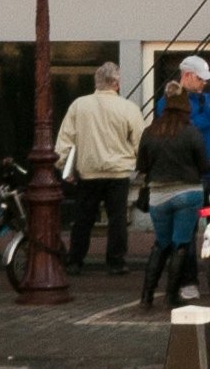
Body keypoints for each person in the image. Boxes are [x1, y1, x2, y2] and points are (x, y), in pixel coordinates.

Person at [53, 62, 146, 279]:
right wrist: (140, 164)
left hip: (88, 170)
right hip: (118, 171)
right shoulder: (128, 108)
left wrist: (65, 166)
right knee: (117, 219)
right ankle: (115, 262)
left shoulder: (79, 105)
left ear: (96, 82)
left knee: (83, 217)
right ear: (117, 83)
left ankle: (75, 261)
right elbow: (140, 141)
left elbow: (66, 139)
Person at [136, 85, 210, 311]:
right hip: (187, 193)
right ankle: (172, 295)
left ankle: (146, 296)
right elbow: (205, 165)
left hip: (158, 196)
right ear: (185, 108)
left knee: (160, 244)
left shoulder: (150, 131)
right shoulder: (192, 132)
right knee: (181, 244)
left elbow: (142, 166)